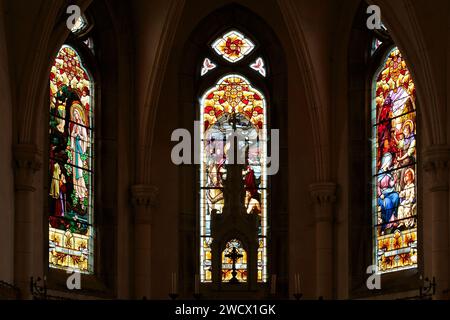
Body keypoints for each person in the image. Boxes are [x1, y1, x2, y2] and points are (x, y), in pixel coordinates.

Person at [70, 103, 89, 202]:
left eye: (76, 113)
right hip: (75, 152)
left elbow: (85, 138)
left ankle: (82, 190)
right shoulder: (74, 126)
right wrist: (74, 135)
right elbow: (72, 135)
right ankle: (76, 190)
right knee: (75, 171)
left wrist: (79, 136)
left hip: (80, 150)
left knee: (80, 170)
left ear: (80, 114)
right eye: (74, 114)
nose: (75, 115)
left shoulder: (82, 125)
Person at [377, 153, 400, 233]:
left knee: (396, 196)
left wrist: (395, 179)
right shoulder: (379, 173)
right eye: (388, 163)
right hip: (381, 196)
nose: (389, 165)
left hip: (389, 193)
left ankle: (395, 218)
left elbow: (390, 184)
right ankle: (387, 224)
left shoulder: (388, 174)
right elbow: (377, 186)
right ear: (385, 163)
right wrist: (380, 194)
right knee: (388, 202)